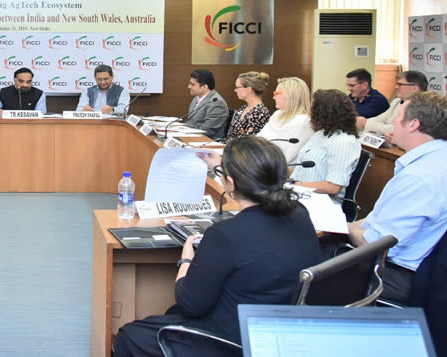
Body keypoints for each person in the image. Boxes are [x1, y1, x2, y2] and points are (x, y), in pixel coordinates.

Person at [113, 136, 322, 357]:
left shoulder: (225, 235)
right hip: (283, 332)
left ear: (230, 183)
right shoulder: (300, 213)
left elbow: (189, 304)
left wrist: (186, 260)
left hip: (231, 341)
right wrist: (220, 168)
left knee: (129, 336)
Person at [348, 91, 447, 303]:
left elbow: (376, 244)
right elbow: (381, 223)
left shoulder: (420, 177)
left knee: (305, 260)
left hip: (398, 274)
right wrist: (355, 225)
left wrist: (342, 226)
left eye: (399, 115)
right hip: (442, 272)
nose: (394, 121)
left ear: (413, 124)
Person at [290, 89, 361, 201]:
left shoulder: (343, 142)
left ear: (323, 113)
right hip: (300, 194)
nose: (309, 113)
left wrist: (296, 186)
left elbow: (333, 187)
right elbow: (301, 170)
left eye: (313, 109)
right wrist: (277, 171)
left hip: (319, 202)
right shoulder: (320, 134)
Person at [257, 76, 314, 163]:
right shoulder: (277, 114)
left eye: (276, 93)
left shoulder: (303, 121)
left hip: (277, 167)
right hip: (261, 161)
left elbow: (286, 156)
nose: (273, 97)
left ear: (290, 95)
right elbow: (259, 140)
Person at [359, 70, 427, 136]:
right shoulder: (396, 101)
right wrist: (362, 122)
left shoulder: (422, 107)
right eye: (397, 84)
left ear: (414, 88)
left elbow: (399, 129)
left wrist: (366, 124)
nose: (396, 87)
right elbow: (381, 118)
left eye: (400, 84)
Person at [225, 71, 271, 141]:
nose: (235, 90)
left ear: (249, 89)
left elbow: (249, 142)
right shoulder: (243, 108)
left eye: (237, 87)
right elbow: (230, 135)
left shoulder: (260, 113)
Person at [184, 69, 229, 138]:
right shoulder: (197, 98)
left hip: (208, 140)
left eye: (192, 84)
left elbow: (209, 130)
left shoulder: (217, 103)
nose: (189, 86)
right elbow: (191, 122)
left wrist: (185, 130)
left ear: (205, 87)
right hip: (193, 137)